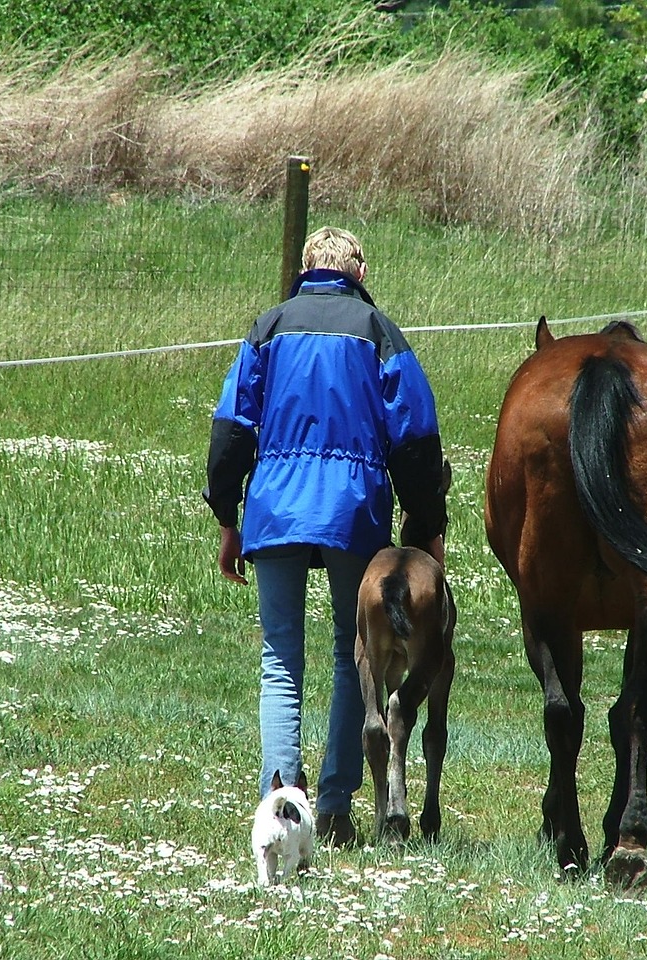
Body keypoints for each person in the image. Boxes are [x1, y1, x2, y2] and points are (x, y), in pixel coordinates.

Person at [202, 226, 446, 847]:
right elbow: (416, 438)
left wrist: (228, 515)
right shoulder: (379, 332)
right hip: (351, 511)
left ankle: (280, 798)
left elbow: (231, 430)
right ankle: (336, 806)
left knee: (280, 657)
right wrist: (425, 527)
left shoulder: (268, 326)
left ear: (307, 267)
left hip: (276, 509)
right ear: (358, 272)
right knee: (350, 653)